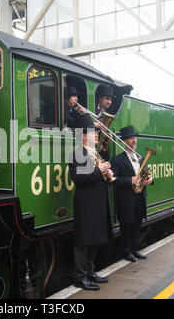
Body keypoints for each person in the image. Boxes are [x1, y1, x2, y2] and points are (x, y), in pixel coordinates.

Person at [68, 113, 114, 291]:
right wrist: (99, 170)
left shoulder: (96, 154)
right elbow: (79, 178)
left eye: (96, 132)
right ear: (83, 136)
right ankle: (80, 277)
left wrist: (108, 175)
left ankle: (90, 272)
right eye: (92, 132)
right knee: (83, 241)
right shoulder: (78, 154)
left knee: (94, 239)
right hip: (86, 204)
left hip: (98, 203)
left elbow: (98, 177)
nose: (96, 135)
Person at [111, 126, 153, 262]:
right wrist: (130, 180)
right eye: (131, 138)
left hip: (140, 196)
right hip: (126, 198)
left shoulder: (140, 158)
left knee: (137, 224)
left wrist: (150, 180)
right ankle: (126, 251)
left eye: (135, 137)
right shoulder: (117, 159)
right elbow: (114, 180)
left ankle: (135, 249)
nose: (134, 140)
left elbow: (147, 175)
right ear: (124, 141)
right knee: (126, 225)